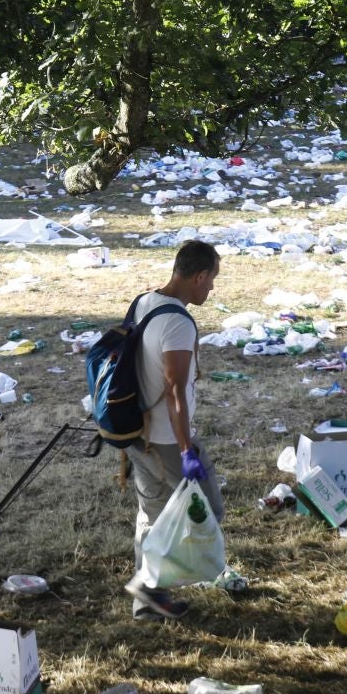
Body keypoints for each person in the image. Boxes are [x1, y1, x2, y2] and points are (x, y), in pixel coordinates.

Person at [122, 239, 225, 618]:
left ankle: (146, 599)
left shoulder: (144, 301)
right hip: (166, 437)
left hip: (136, 431)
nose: (212, 288)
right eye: (212, 279)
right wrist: (186, 451)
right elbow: (175, 391)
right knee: (205, 511)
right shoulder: (178, 323)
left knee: (152, 511)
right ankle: (152, 585)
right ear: (198, 276)